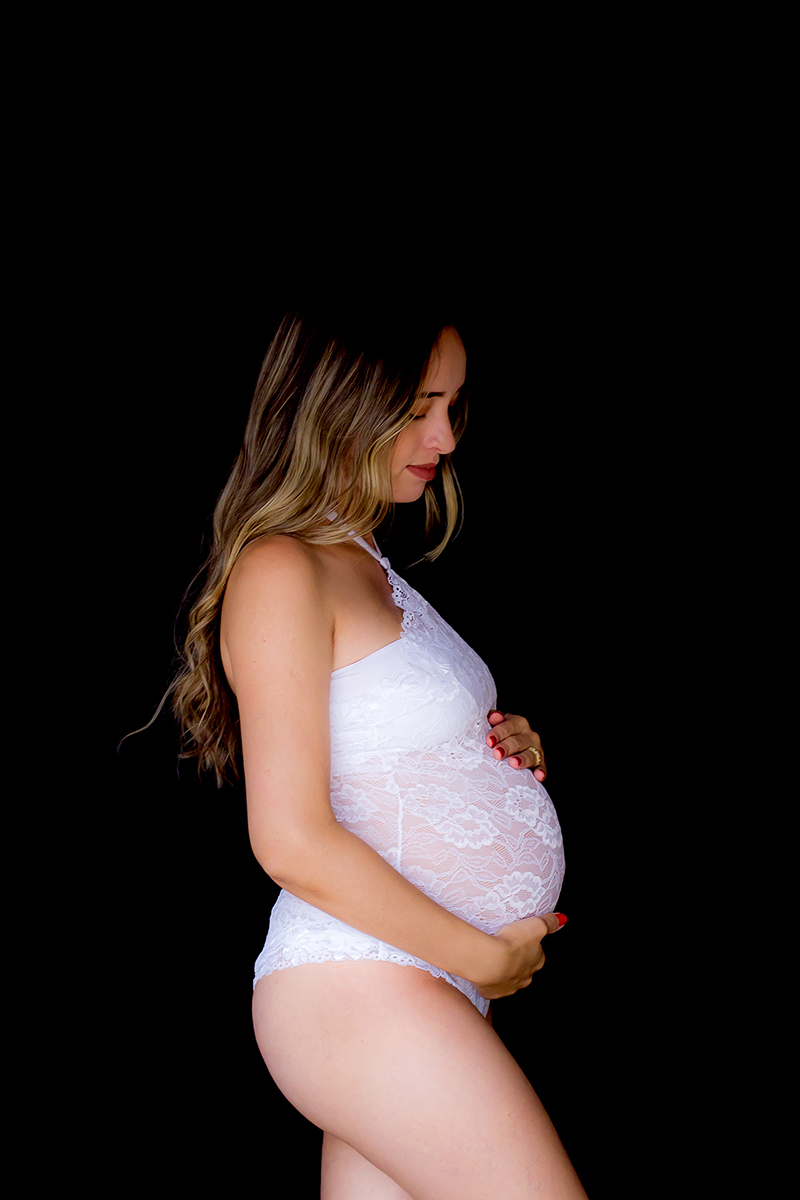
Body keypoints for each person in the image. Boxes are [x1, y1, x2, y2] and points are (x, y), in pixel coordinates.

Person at [168, 305, 588, 1198]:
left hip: (414, 984)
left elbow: (383, 736)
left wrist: (492, 747)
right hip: (360, 984)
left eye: (453, 406)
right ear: (339, 401)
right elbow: (290, 840)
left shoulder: (355, 553)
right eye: (419, 407)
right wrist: (484, 957)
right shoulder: (281, 567)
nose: (445, 436)